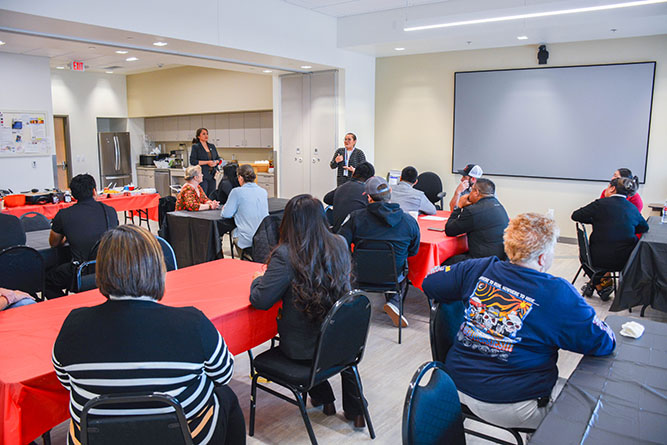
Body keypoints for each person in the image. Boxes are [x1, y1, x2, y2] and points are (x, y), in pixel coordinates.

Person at [52, 225, 244, 445]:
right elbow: (224, 375)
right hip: (184, 437)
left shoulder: (73, 326)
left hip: (95, 439)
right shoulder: (193, 323)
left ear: (101, 270)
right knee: (226, 396)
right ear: (157, 269)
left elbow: (66, 382)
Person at [423, 213, 616, 429]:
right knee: (595, 411)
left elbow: (430, 282)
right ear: (543, 257)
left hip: (453, 386)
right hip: (512, 404)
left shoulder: (478, 267)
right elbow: (603, 343)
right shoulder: (557, 293)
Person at [250, 194, 367, 428]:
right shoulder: (340, 244)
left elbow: (261, 300)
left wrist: (258, 280)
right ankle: (355, 410)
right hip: (342, 342)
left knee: (303, 329)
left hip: (304, 350)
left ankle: (324, 398)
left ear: (289, 222)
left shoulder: (286, 255)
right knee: (320, 326)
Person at [338, 176, 420, 328]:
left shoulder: (355, 218)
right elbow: (413, 251)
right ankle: (394, 301)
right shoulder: (409, 221)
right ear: (390, 192)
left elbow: (340, 243)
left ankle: (353, 307)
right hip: (393, 276)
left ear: (368, 197)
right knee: (400, 267)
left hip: (361, 274)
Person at [572, 176, 649, 298]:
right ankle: (598, 286)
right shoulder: (632, 208)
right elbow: (644, 228)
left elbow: (576, 215)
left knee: (584, 258)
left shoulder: (600, 204)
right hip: (625, 261)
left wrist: (596, 221)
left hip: (596, 259)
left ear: (612, 189)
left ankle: (597, 285)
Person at [45, 174, 119, 299]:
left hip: (82, 272)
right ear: (94, 191)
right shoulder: (110, 211)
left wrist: (67, 236)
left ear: (73, 195)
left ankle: (65, 306)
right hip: (112, 269)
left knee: (47, 280)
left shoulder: (64, 215)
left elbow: (54, 243)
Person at [444, 178, 509, 264]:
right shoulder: (499, 206)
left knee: (443, 263)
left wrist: (459, 207)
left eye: (471, 190)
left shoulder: (473, 211)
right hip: (499, 258)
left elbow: (449, 230)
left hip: (480, 261)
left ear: (476, 192)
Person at [221, 164, 268, 257]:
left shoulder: (236, 192)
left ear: (240, 178)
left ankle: (244, 257)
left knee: (232, 233)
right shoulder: (263, 191)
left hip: (246, 239)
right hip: (263, 238)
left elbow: (226, 214)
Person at [323, 161, 375, 232]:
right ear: (371, 178)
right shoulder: (367, 191)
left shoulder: (341, 187)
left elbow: (326, 199)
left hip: (338, 234)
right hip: (356, 235)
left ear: (353, 173)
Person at [190, 127, 221, 198]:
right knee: (204, 195)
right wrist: (207, 162)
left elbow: (218, 158)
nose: (206, 136)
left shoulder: (212, 146)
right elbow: (193, 161)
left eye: (207, 134)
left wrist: (216, 162)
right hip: (202, 175)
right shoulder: (196, 147)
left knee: (212, 195)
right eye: (203, 134)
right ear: (198, 136)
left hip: (212, 174)